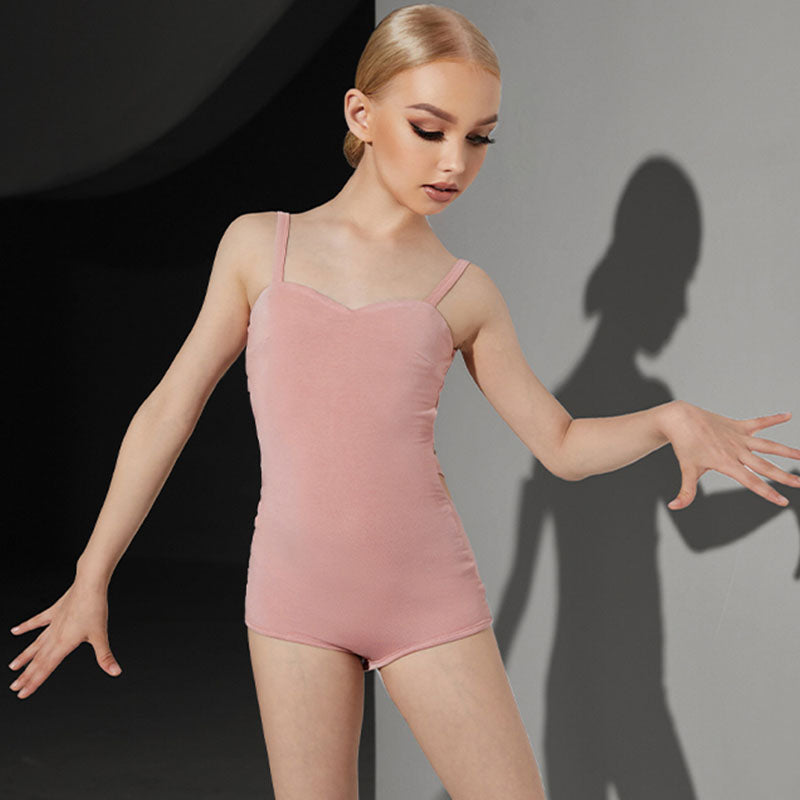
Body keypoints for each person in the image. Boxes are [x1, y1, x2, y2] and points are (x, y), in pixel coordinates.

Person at [8, 4, 800, 798]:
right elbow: (169, 410)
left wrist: (670, 419)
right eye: (430, 129)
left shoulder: (466, 292)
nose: (455, 162)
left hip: (425, 597)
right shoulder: (258, 246)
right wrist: (92, 573)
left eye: (479, 137)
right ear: (361, 114)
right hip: (293, 598)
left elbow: (559, 445)